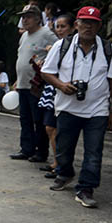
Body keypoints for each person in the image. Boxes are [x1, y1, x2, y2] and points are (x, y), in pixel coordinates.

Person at [41, 6, 112, 209]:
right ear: (76, 24)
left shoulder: (109, 50)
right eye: (84, 22)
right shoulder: (62, 46)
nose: (88, 26)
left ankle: (86, 188)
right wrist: (61, 85)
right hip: (68, 107)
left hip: (97, 109)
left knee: (94, 152)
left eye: (93, 22)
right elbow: (46, 72)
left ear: (99, 25)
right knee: (63, 149)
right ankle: (65, 173)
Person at [10, 5, 58, 162]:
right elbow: (21, 58)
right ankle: (26, 149)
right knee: (25, 119)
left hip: (37, 85)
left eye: (28, 16)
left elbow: (58, 50)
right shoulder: (24, 36)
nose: (25, 20)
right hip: (23, 83)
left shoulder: (46, 34)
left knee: (38, 120)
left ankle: (40, 151)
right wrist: (17, 80)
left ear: (38, 18)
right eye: (23, 17)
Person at [38, 13, 76, 177]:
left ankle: (61, 164)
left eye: (63, 26)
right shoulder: (57, 45)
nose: (60, 30)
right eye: (57, 27)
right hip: (51, 89)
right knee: (49, 128)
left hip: (63, 90)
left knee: (57, 129)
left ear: (73, 27)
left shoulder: (73, 47)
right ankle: (56, 162)